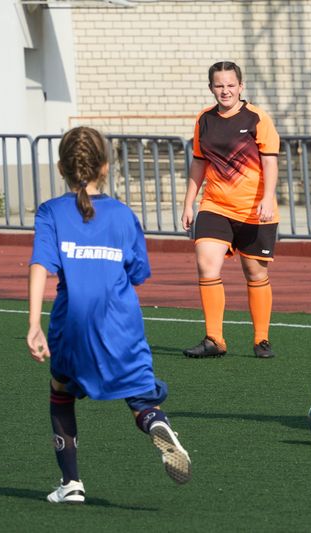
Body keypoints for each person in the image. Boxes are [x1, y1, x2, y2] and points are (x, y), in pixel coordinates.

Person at [26, 126, 191, 504]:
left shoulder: (51, 212)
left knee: (61, 391)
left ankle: (71, 484)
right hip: (122, 322)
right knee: (140, 397)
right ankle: (156, 422)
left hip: (71, 322)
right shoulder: (122, 215)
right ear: (105, 167)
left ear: (60, 168)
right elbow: (138, 273)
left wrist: (34, 323)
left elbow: (40, 265)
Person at [181, 60, 280, 359]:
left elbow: (270, 161)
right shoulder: (204, 119)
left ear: (241, 86)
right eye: (219, 85)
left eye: (230, 85)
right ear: (211, 88)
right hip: (215, 204)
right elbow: (199, 162)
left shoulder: (257, 118)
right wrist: (188, 203)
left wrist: (268, 198)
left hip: (254, 208)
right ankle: (214, 339)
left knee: (254, 272)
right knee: (206, 263)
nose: (225, 91)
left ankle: (261, 339)